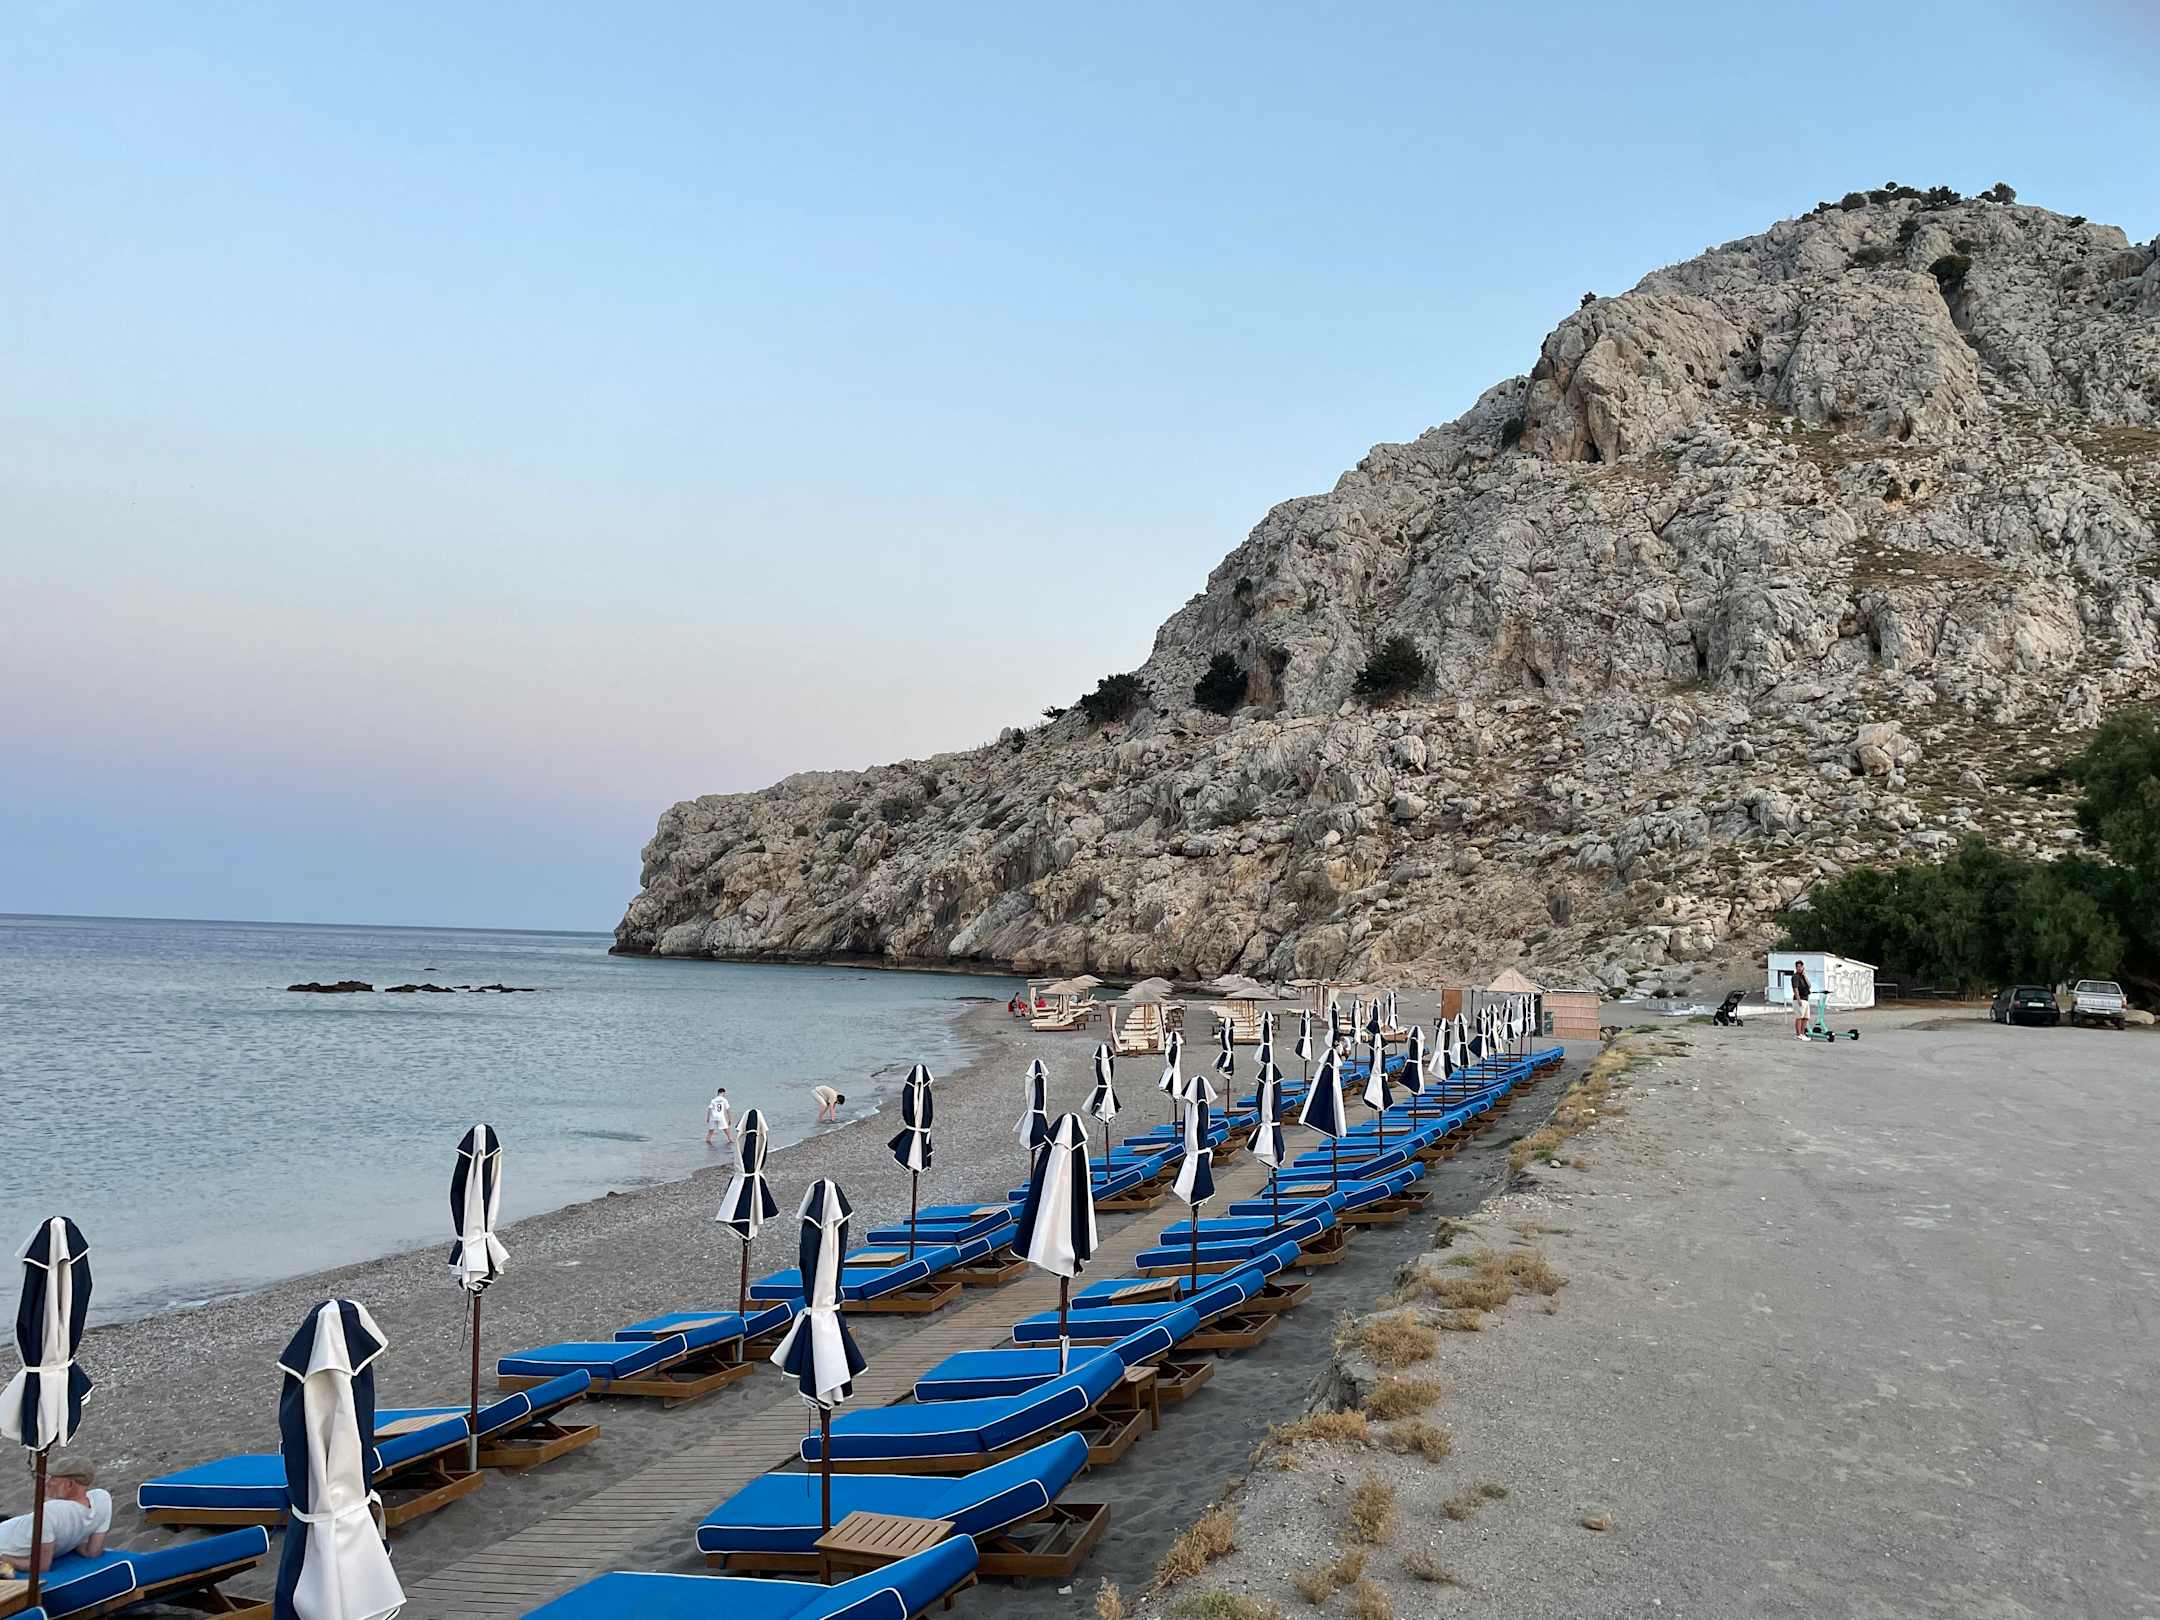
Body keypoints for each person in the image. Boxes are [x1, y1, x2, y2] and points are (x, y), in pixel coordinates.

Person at [0, 1456, 110, 1573]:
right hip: (14, 1526)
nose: (48, 1483)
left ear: (69, 1484)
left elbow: (41, 1566)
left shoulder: (50, 1511)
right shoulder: (102, 1499)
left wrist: (5, 1558)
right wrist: (74, 1538)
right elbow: (92, 1552)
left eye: (53, 1478)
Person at [1790, 958, 1813, 1039]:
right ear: (1796, 967)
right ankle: (1798, 1034)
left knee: (1806, 1017)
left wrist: (1805, 975)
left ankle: (1803, 1033)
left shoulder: (1803, 976)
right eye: (1798, 967)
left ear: (1803, 967)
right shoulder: (1795, 976)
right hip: (1799, 999)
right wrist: (1798, 999)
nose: (1799, 968)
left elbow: (1809, 985)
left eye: (1801, 966)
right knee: (1799, 1017)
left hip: (1806, 999)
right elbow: (1795, 988)